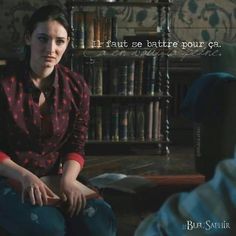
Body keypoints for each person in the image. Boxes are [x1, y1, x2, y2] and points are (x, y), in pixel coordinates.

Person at [0, 5, 116, 236]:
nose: (51, 49)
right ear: (28, 37)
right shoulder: (5, 84)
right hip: (10, 175)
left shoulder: (76, 85)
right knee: (48, 228)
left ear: (67, 43)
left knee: (102, 224)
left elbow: (76, 144)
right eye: (43, 39)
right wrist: (25, 176)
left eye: (59, 41)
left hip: (57, 176)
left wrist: (69, 181)